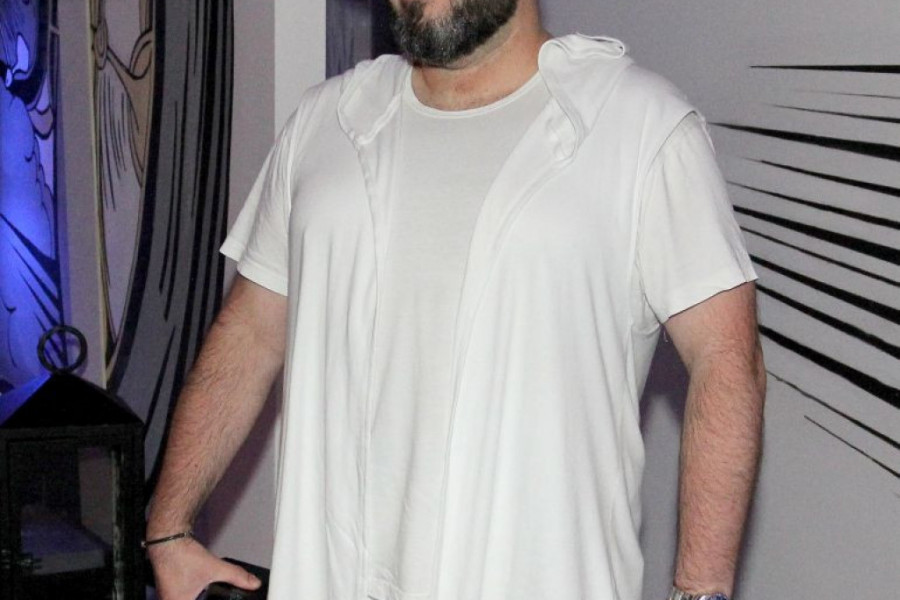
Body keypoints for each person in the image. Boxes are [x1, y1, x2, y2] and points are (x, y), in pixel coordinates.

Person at [146, 0, 766, 598]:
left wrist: (700, 594)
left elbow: (726, 359)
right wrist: (168, 528)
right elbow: (251, 333)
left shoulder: (640, 126)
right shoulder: (323, 122)